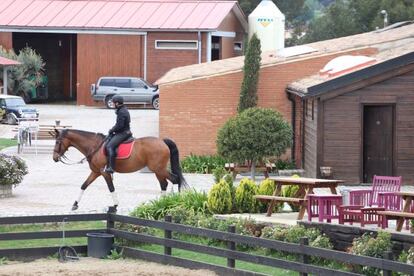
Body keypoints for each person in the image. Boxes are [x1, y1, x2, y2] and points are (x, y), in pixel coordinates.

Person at [104, 95, 132, 174]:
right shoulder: (122, 109)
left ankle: (111, 167)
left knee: (110, 146)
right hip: (123, 131)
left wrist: (111, 130)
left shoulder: (121, 112)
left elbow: (120, 125)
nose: (112, 104)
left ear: (116, 103)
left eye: (113, 103)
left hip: (123, 133)